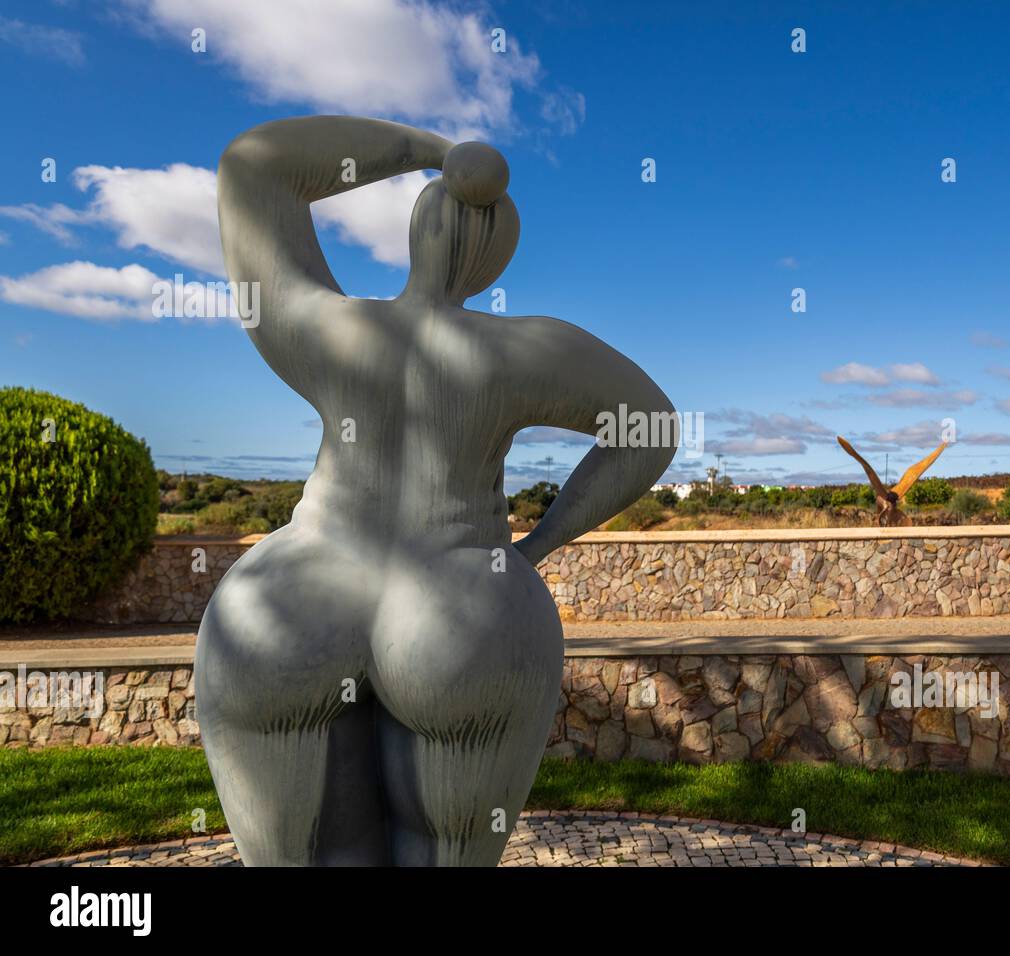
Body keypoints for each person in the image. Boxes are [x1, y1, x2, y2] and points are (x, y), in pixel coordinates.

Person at [196, 116, 675, 865]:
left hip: (292, 599)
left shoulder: (332, 328)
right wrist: (537, 547)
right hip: (462, 607)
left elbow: (253, 166)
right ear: (492, 260)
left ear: (416, 234)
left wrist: (431, 152)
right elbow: (651, 425)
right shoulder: (524, 349)